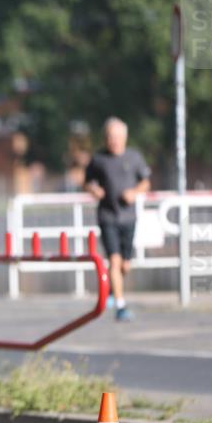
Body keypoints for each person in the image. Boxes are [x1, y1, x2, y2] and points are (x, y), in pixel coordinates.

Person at [83, 117, 151, 322]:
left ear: (125, 137)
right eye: (111, 137)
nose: (114, 141)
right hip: (108, 216)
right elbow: (87, 182)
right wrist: (94, 189)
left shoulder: (135, 157)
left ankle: (114, 290)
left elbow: (146, 182)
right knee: (114, 259)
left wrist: (134, 192)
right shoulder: (98, 160)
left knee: (124, 265)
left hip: (129, 217)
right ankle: (121, 306)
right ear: (106, 138)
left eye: (118, 137)